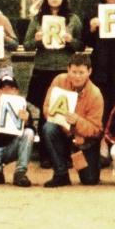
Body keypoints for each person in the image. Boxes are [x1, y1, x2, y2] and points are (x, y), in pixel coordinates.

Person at [23, 0, 84, 165]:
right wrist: (37, 39)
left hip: (64, 72)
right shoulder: (37, 19)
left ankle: (63, 155)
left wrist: (70, 40)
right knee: (45, 114)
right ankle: (45, 155)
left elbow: (82, 45)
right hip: (43, 70)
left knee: (65, 114)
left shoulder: (73, 19)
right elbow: (26, 46)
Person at [41, 54, 104, 187]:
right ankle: (61, 173)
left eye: (81, 72)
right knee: (48, 128)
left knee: (90, 180)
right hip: (62, 131)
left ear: (89, 72)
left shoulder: (95, 94)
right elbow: (47, 108)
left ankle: (91, 164)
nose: (77, 76)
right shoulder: (58, 81)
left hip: (83, 139)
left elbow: (96, 129)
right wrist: (66, 127)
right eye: (74, 72)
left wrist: (77, 122)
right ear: (68, 70)